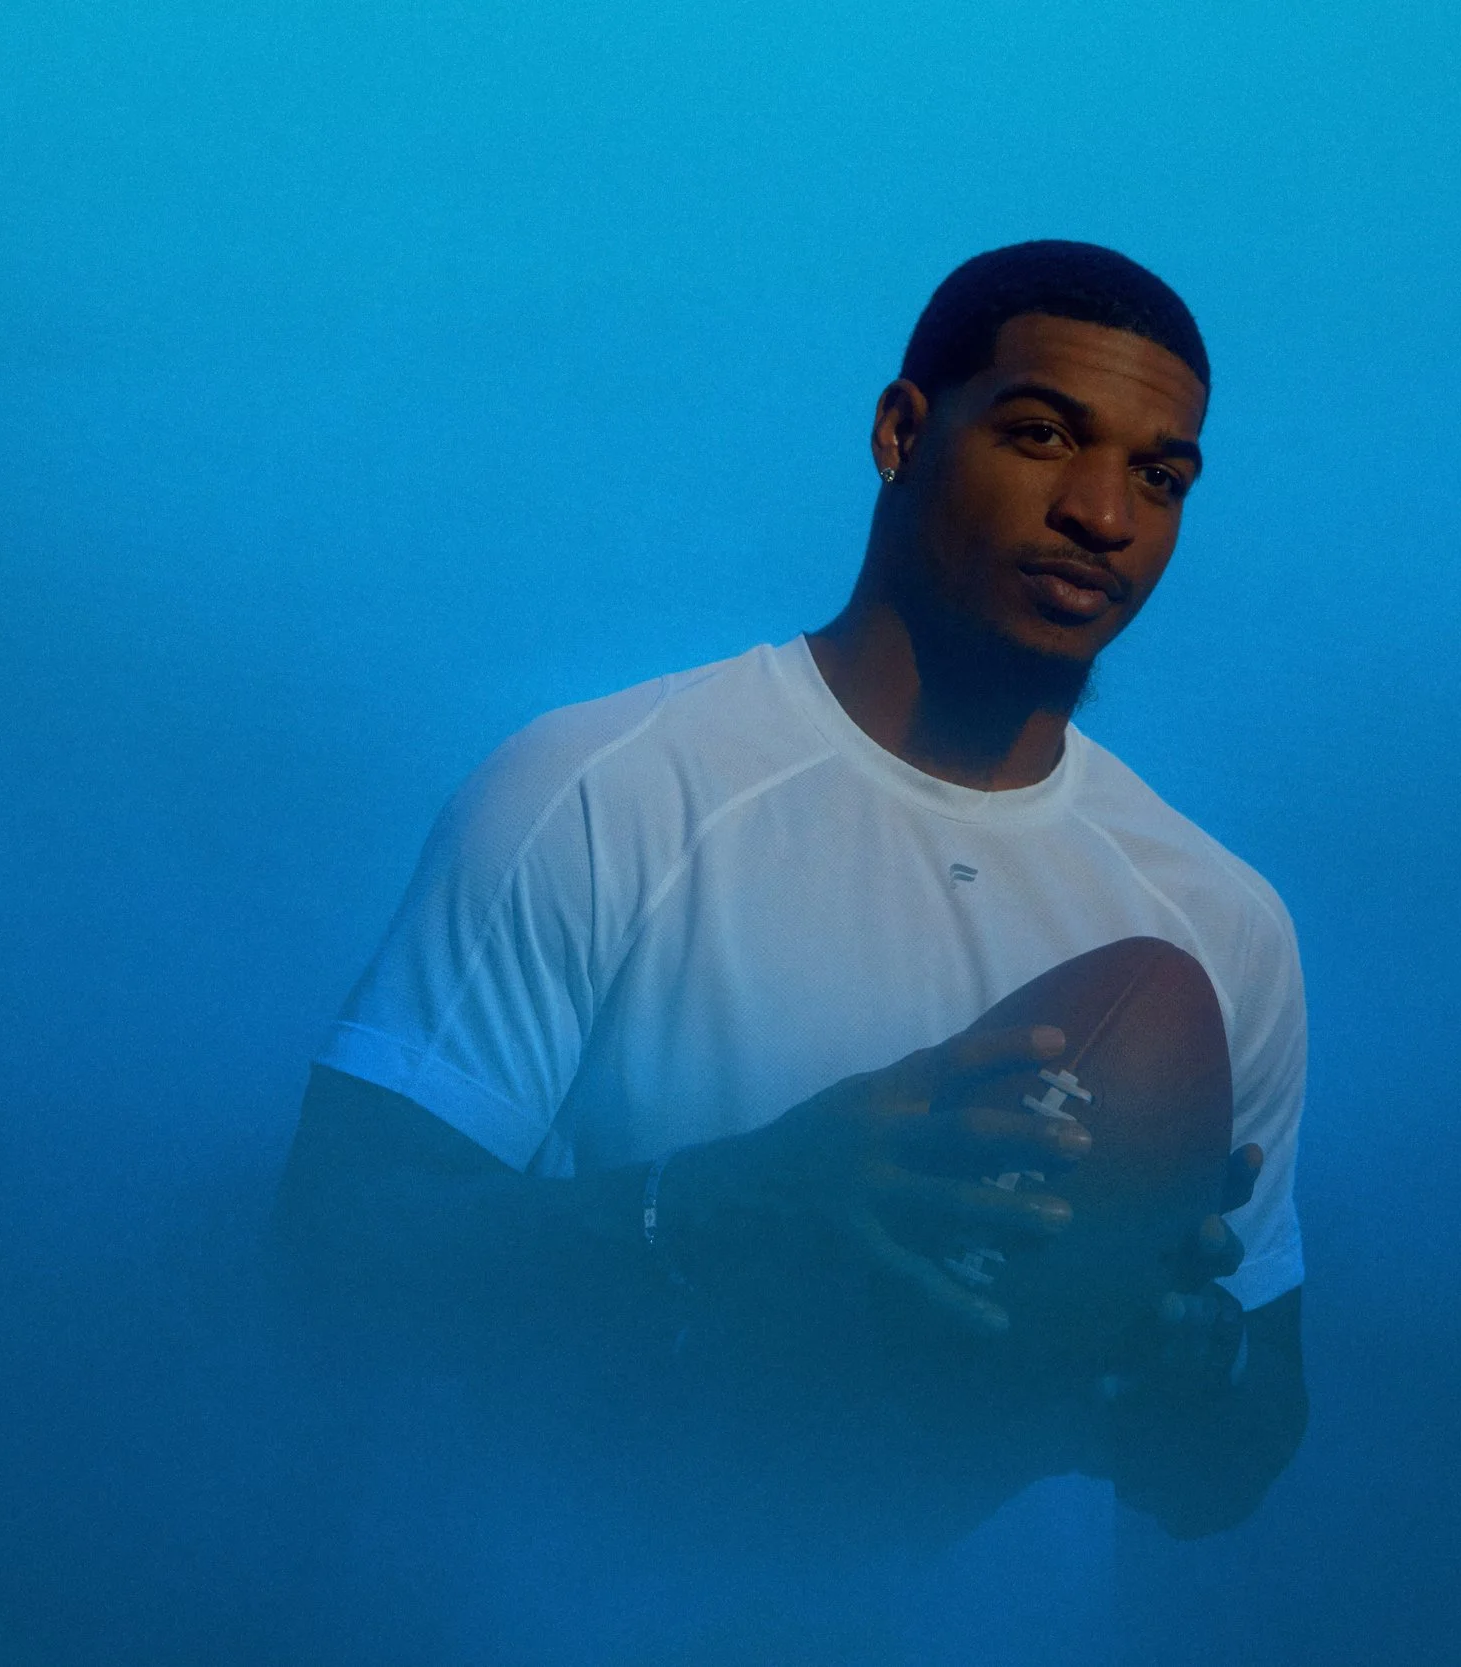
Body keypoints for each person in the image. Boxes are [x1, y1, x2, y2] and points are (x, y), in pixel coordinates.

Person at [273, 241, 1309, 1565]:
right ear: (901, 430)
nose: (1103, 513)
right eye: (1044, 435)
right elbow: (326, 1253)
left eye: (1161, 479)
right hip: (600, 1610)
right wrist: (735, 1201)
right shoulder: (606, 790)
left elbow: (1244, 1455)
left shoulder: (1218, 922)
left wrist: (1178, 1364)